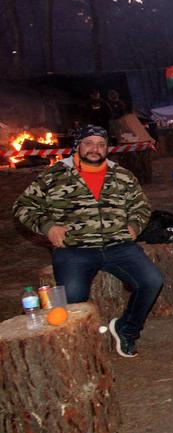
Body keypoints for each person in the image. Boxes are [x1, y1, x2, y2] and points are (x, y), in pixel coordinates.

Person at [13, 125, 163, 357]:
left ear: (107, 148)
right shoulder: (55, 175)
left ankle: (127, 330)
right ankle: (79, 349)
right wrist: (48, 227)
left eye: (101, 144)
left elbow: (141, 205)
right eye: (89, 143)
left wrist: (135, 224)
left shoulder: (121, 175)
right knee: (73, 301)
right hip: (75, 249)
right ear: (78, 146)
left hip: (119, 245)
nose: (95, 148)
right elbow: (23, 206)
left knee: (152, 281)